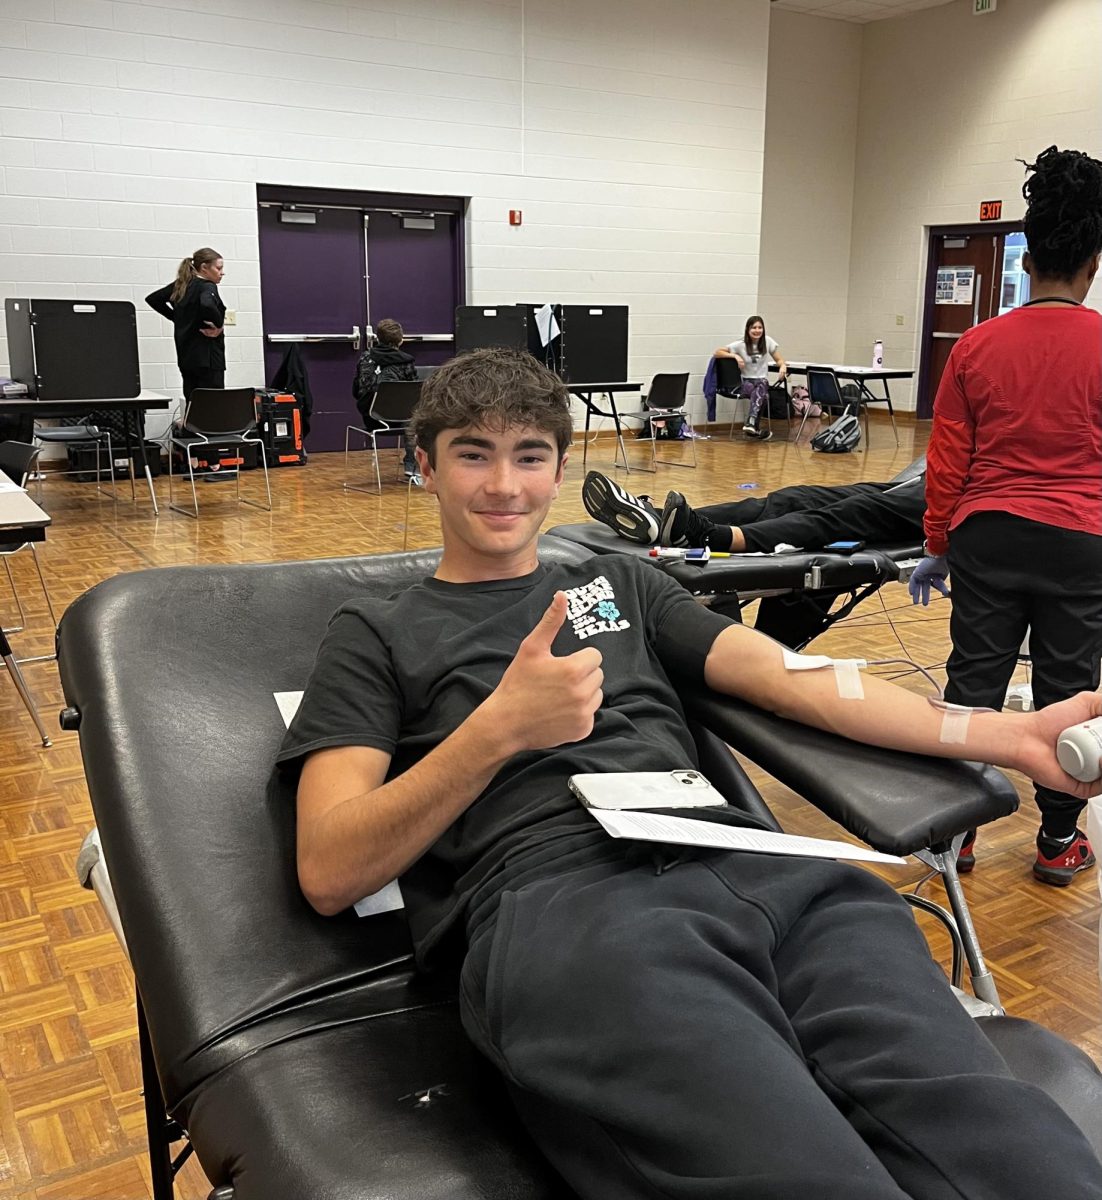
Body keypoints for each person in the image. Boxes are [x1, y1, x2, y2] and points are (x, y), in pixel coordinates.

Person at [277, 347, 1102, 1199]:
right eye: (473, 455)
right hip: (571, 908)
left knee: (1007, 1144)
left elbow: (800, 682)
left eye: (528, 456)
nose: (503, 486)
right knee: (806, 1173)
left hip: (760, 870)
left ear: (561, 468)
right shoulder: (375, 633)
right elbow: (330, 868)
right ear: (427, 467)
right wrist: (496, 732)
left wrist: (1013, 735)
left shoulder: (621, 581)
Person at [910, 145, 1102, 887]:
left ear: (1025, 262)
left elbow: (948, 461)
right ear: (1092, 263)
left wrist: (936, 544)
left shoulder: (976, 345)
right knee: (1067, 691)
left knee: (974, 685)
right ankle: (1057, 842)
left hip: (987, 535)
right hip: (1083, 543)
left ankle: (955, 838)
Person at [582, 468, 925, 552]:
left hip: (967, 499)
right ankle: (664, 520)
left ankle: (711, 537)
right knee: (796, 497)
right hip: (943, 478)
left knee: (854, 513)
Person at [145, 248, 226, 402]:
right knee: (213, 404)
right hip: (208, 358)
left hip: (186, 357)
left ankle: (191, 426)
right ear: (204, 268)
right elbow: (207, 304)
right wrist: (218, 325)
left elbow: (153, 299)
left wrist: (176, 318)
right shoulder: (207, 285)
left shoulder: (181, 285)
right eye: (219, 268)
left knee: (192, 401)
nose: (222, 273)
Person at [353, 318, 420, 480]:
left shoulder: (366, 358)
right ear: (400, 340)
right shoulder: (407, 361)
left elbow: (358, 391)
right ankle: (412, 464)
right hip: (403, 418)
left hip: (372, 417)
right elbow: (414, 391)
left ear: (378, 338)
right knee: (415, 417)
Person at [714, 314, 787, 441]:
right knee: (761, 393)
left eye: (760, 327)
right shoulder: (740, 344)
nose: (757, 330)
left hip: (761, 381)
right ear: (748, 329)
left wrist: (783, 367)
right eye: (754, 327)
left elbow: (779, 359)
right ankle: (752, 425)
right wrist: (735, 356)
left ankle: (751, 425)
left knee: (761, 385)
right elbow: (717, 352)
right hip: (745, 383)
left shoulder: (768, 341)